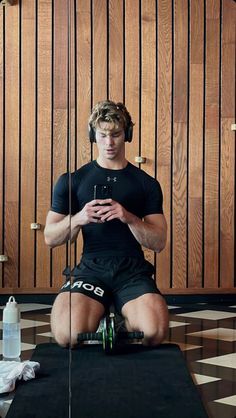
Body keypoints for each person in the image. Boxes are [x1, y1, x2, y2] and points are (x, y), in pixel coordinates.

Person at [44, 100, 169, 348]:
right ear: (94, 136)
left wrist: (129, 217)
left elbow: (159, 242)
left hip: (132, 271)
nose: (109, 143)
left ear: (127, 135)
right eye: (102, 135)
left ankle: (121, 313)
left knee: (153, 333)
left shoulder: (146, 183)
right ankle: (99, 310)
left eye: (116, 134)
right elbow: (50, 237)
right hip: (91, 268)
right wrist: (80, 218)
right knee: (68, 336)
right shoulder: (73, 180)